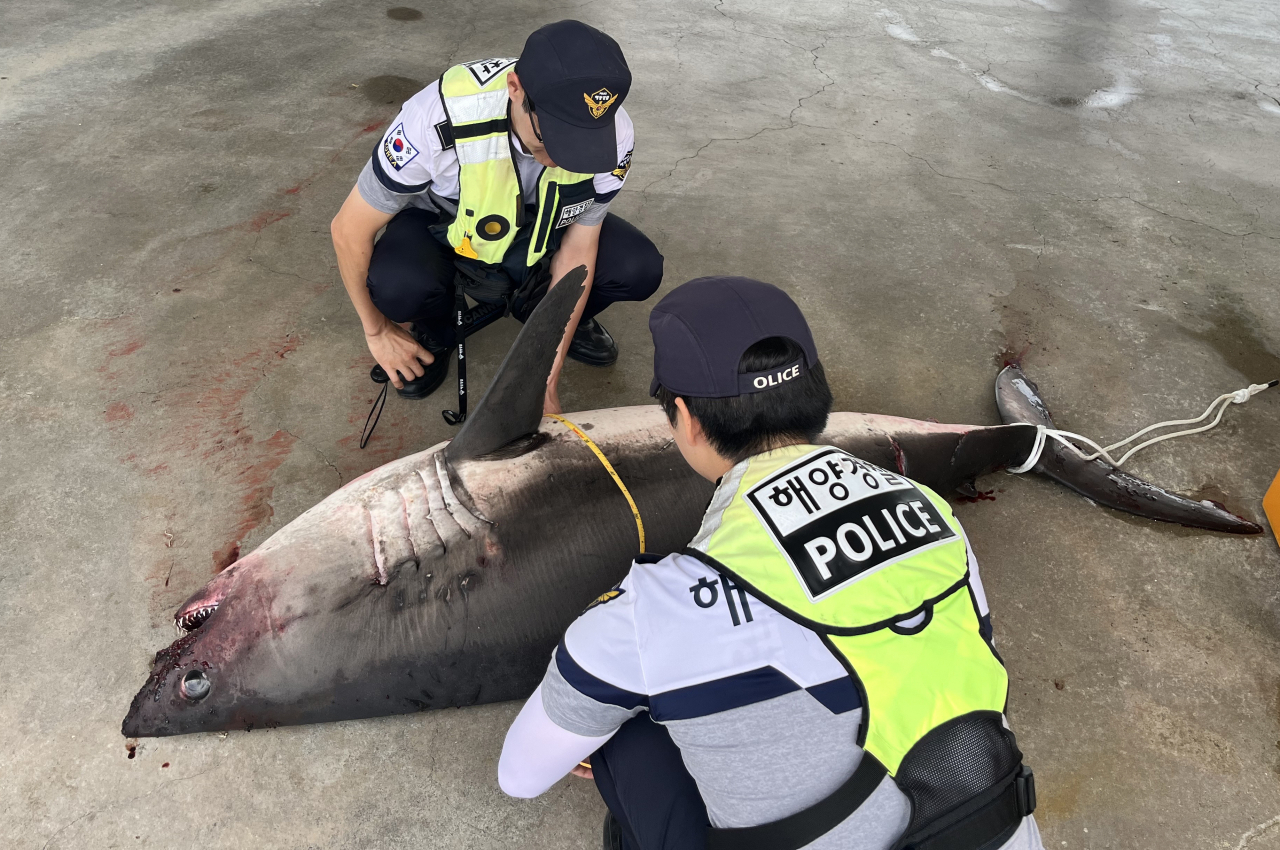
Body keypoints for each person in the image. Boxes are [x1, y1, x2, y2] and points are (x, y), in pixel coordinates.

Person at [497, 277, 1045, 850]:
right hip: (988, 823)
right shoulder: (933, 515)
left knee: (621, 726)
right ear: (817, 392)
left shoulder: (650, 610)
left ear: (682, 415)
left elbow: (519, 777)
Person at [330, 20, 663, 413]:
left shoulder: (616, 133)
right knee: (399, 285)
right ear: (515, 88)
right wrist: (377, 330)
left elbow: (580, 246)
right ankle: (435, 330)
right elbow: (348, 230)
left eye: (584, 143)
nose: (563, 158)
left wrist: (545, 373)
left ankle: (544, 316)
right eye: (551, 137)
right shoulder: (434, 118)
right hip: (444, 223)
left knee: (636, 267)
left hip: (542, 223)